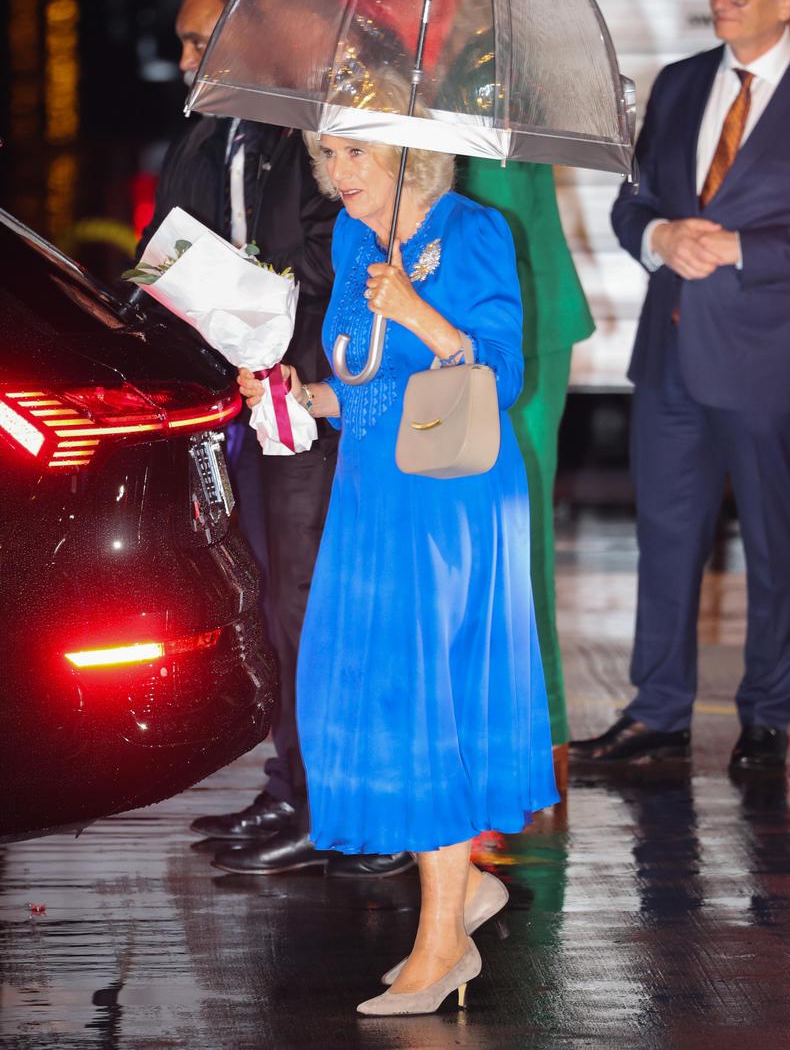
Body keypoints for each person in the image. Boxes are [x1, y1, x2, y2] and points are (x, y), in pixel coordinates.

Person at [238, 70, 559, 1015]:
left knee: (433, 698)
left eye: (353, 153)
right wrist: (303, 398)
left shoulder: (473, 232)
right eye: (328, 153)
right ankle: (460, 897)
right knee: (384, 692)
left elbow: (498, 372)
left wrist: (421, 311)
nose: (336, 172)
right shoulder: (350, 236)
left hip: (453, 501)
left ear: (410, 155)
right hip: (374, 489)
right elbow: (367, 388)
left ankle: (440, 942)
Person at [139, 0, 410, 879]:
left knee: (314, 604)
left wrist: (274, 320)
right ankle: (295, 782)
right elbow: (172, 248)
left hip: (318, 401)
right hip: (243, 403)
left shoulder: (324, 134)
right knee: (268, 601)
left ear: (252, 32)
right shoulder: (211, 131)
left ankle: (351, 805)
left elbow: (355, 260)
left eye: (196, 40)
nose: (182, 60)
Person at [569, 0, 790, 773]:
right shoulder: (676, 85)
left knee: (779, 546)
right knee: (666, 537)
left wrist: (744, 248)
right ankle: (659, 709)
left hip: (774, 365)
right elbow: (631, 204)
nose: (720, 0)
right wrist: (662, 233)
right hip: (669, 357)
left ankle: (767, 713)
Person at [457, 157, 594, 778]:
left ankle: (542, 733)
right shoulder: (394, 74)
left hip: (519, 327)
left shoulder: (498, 77)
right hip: (446, 329)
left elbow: (498, 211)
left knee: (520, 533)